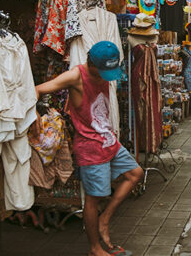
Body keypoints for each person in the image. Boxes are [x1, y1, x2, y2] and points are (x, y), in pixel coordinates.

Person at [35, 41, 144, 256]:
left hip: (108, 141)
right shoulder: (75, 76)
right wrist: (36, 112)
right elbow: (37, 89)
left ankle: (105, 219)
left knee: (136, 174)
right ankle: (94, 248)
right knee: (95, 198)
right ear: (90, 63)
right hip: (90, 148)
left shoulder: (103, 72)